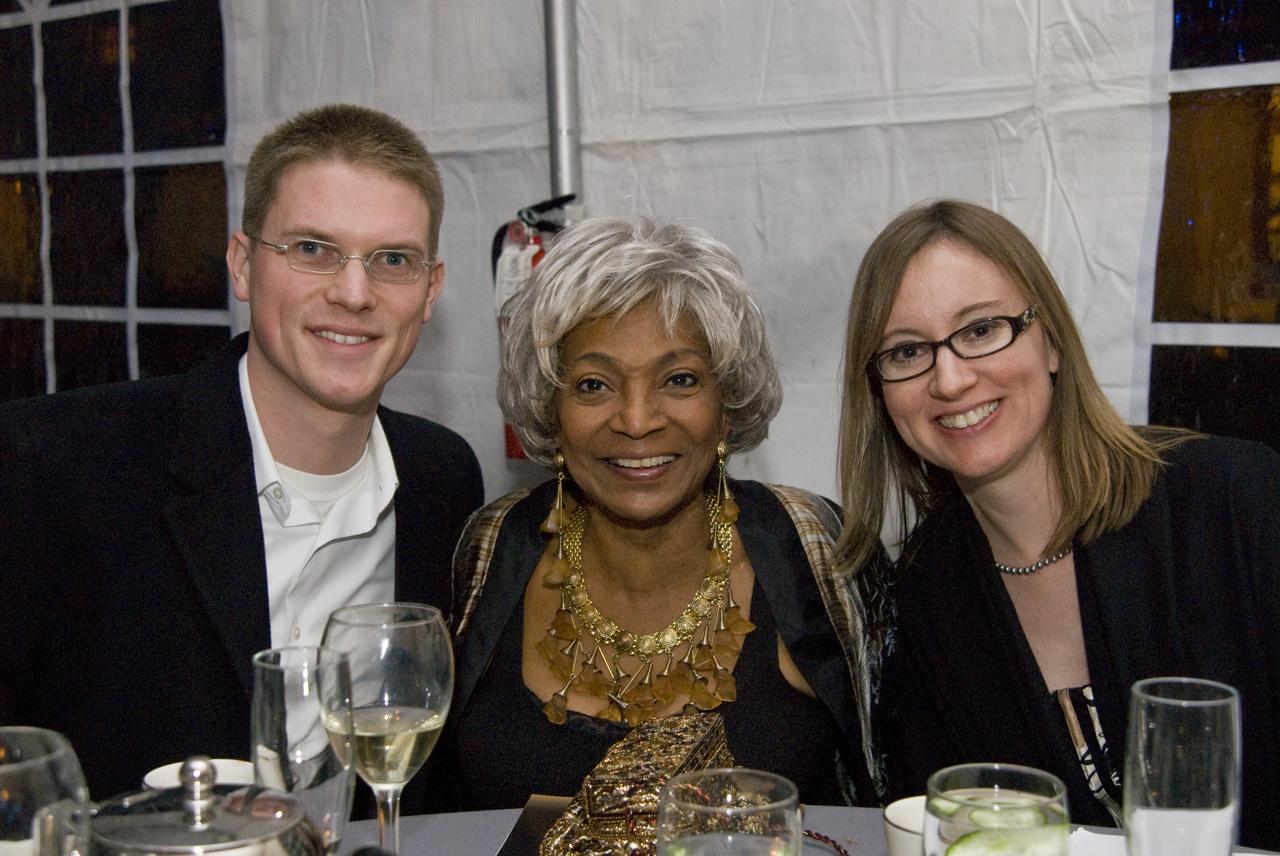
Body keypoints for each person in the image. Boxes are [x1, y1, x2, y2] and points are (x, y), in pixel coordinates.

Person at [0, 104, 483, 801]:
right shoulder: (55, 465)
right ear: (243, 264)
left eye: (392, 260)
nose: (354, 293)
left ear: (430, 290)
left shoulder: (442, 479)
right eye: (312, 248)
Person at [837, 199, 1280, 847]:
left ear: (1051, 341)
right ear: (880, 393)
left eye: (982, 329)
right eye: (907, 352)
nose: (952, 379)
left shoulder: (1235, 502)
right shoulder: (928, 592)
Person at [437, 218, 893, 809]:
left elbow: (905, 792)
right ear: (550, 411)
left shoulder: (823, 554)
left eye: (679, 379)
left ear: (726, 404)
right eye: (594, 384)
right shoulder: (487, 551)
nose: (637, 419)